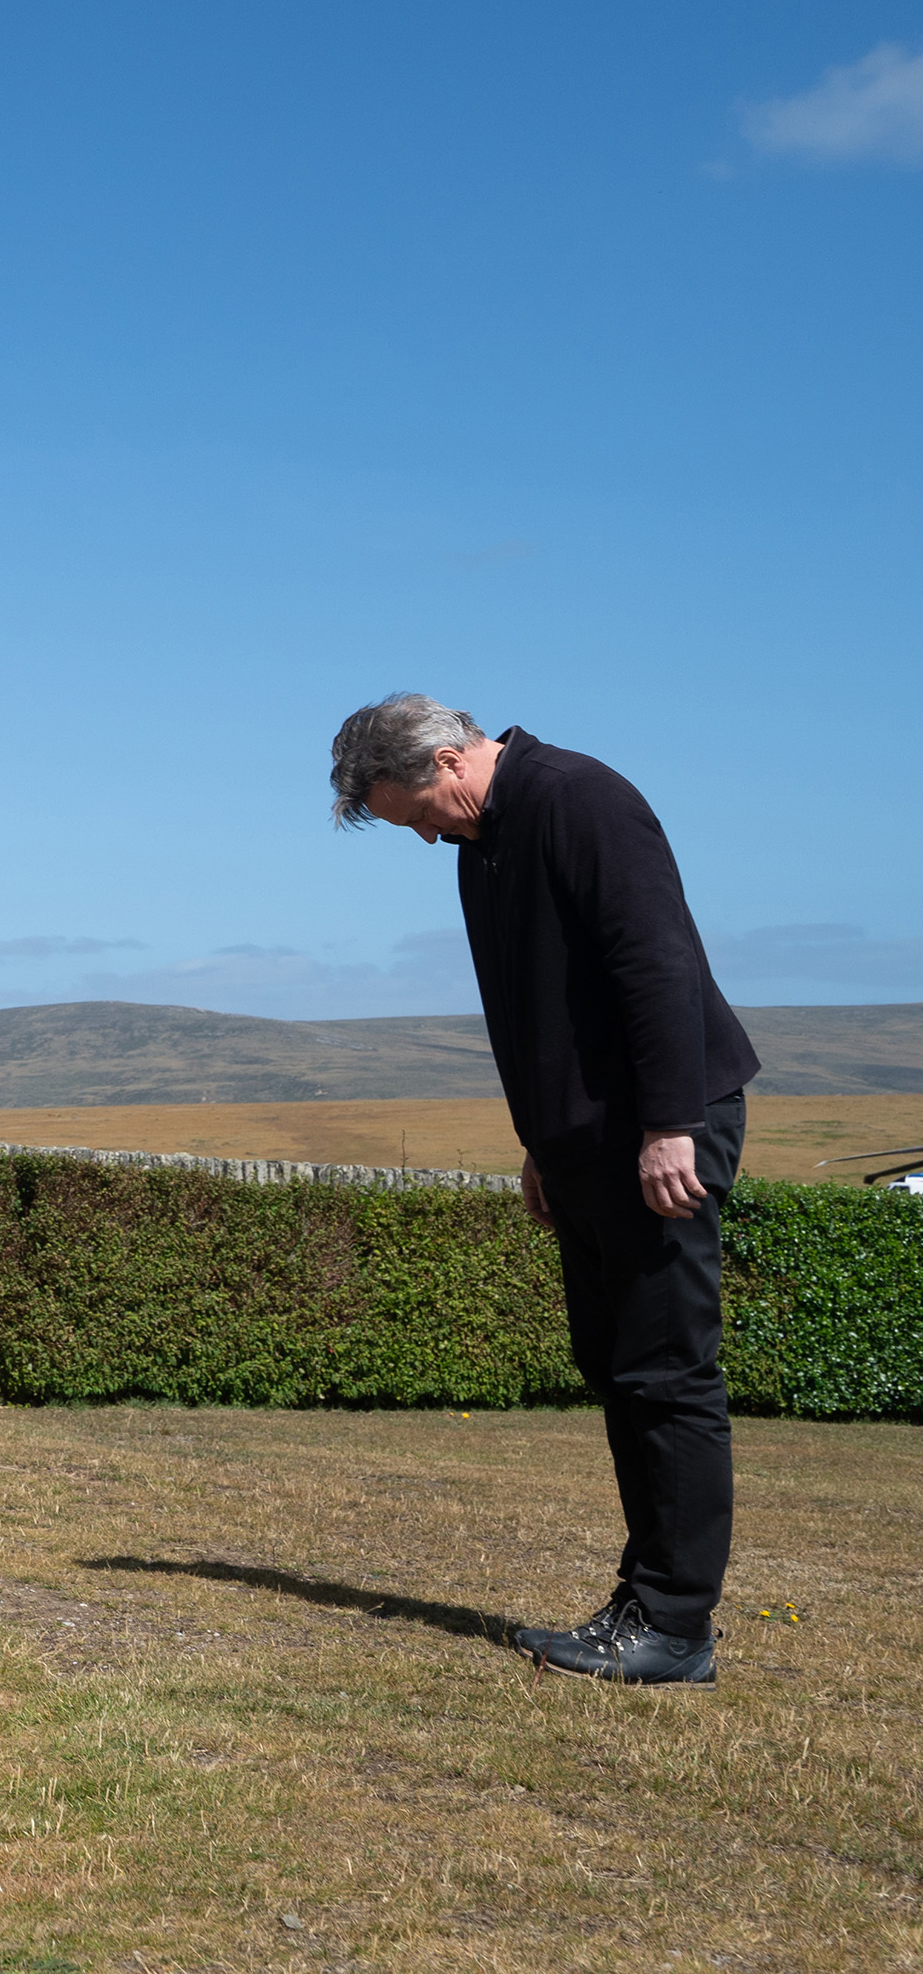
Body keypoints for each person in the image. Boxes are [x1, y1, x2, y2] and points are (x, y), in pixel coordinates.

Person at [329, 694, 758, 1685]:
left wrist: (668, 1124)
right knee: (616, 1363)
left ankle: (676, 1626)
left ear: (449, 760)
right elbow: (537, 1012)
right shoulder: (486, 842)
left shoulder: (579, 801)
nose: (427, 835)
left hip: (658, 1129)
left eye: (419, 813)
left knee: (667, 1370)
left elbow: (654, 964)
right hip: (587, 1142)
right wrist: (542, 1144)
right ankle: (643, 1601)